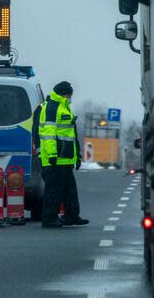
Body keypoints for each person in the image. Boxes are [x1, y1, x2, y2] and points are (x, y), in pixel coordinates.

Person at [37, 81, 89, 228]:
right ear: (64, 94)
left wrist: (77, 155)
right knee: (53, 191)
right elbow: (48, 133)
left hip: (65, 158)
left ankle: (72, 215)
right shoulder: (52, 107)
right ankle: (49, 218)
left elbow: (71, 134)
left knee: (69, 190)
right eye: (69, 95)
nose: (70, 98)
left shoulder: (65, 108)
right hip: (55, 159)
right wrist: (52, 154)